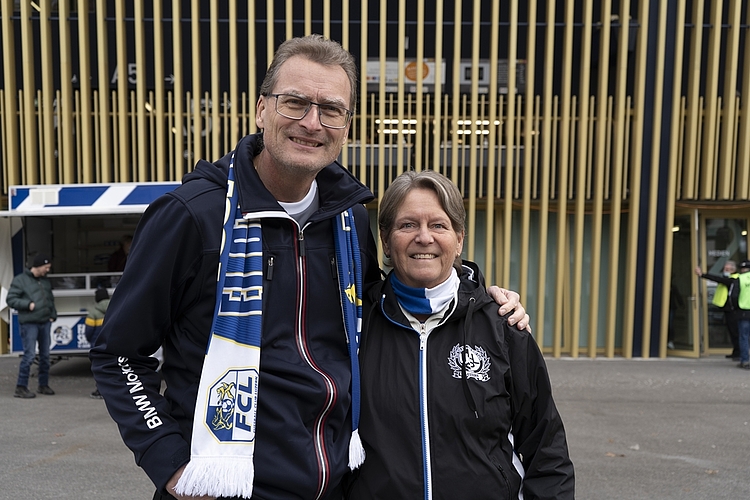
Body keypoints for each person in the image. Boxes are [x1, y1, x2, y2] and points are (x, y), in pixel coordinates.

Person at [90, 34, 529, 500]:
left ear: (346, 124)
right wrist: (170, 462)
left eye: (331, 109)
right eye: (295, 102)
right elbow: (118, 354)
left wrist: (475, 296)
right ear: (261, 110)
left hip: (336, 484)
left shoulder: (350, 218)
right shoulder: (193, 216)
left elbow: (390, 307)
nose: (312, 122)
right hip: (225, 489)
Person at [346, 170, 574, 499]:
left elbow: (547, 448)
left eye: (438, 225)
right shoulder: (356, 323)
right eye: (407, 225)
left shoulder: (503, 326)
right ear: (385, 239)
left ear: (459, 239)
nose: (424, 238)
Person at [7, 254, 57, 399]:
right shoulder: (20, 280)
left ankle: (43, 385)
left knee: (45, 356)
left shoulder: (45, 281)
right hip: (29, 323)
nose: (47, 270)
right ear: (39, 266)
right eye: (46, 267)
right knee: (29, 356)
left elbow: (50, 299)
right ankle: (21, 387)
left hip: (45, 321)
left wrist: (53, 314)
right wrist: (27, 305)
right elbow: (10, 299)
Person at [695, 260, 740, 359]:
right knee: (732, 332)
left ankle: (738, 352)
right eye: (724, 268)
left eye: (727, 269)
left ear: (733, 270)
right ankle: (736, 351)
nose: (725, 270)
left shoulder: (733, 279)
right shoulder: (729, 278)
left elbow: (717, 279)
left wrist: (702, 274)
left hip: (733, 310)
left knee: (735, 332)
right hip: (727, 309)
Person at [85, 287, 110, 399]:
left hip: (97, 345)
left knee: (99, 368)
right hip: (112, 344)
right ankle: (110, 391)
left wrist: (90, 340)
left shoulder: (93, 312)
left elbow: (88, 331)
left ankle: (100, 391)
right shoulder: (115, 308)